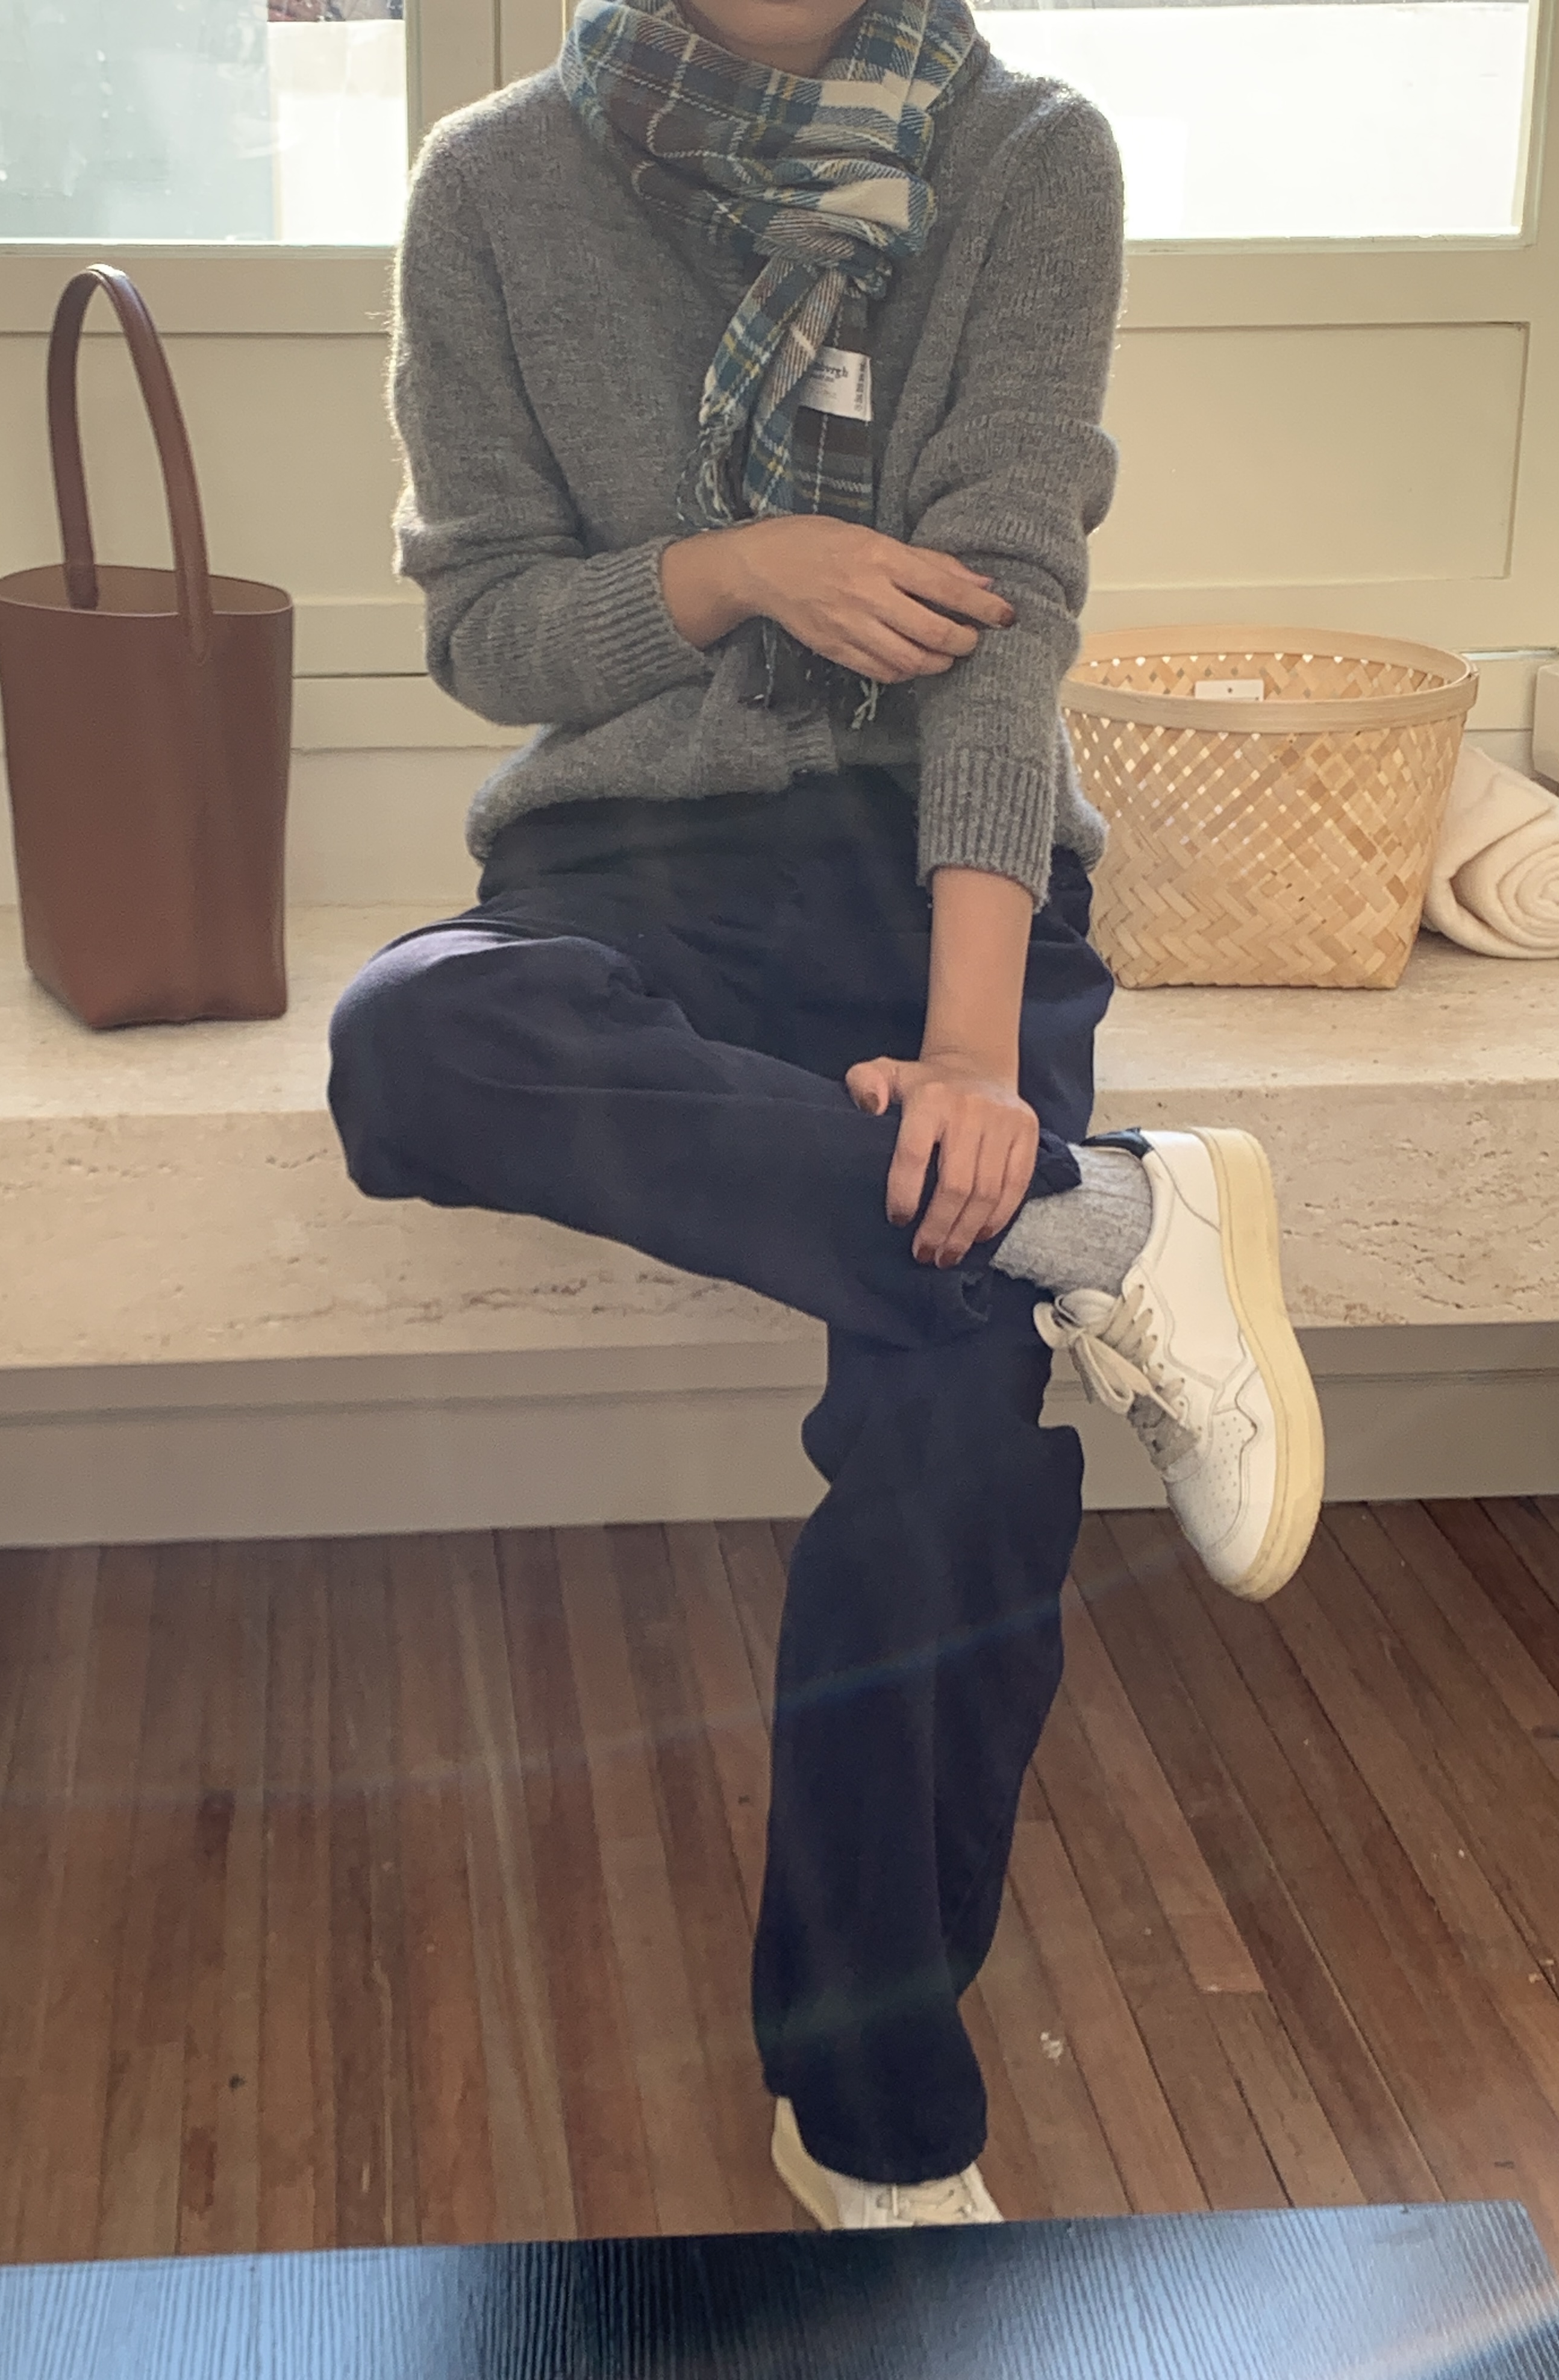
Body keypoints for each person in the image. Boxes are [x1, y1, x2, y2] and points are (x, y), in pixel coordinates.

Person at [328, 0, 1325, 2231]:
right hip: (627, 862)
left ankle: (870, 2112)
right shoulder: (493, 181)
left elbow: (1005, 626)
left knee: (947, 1413)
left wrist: (970, 1052)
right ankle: (1106, 1227)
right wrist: (740, 568)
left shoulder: (1023, 153)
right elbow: (485, 632)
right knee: (413, 1040)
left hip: (941, 875)